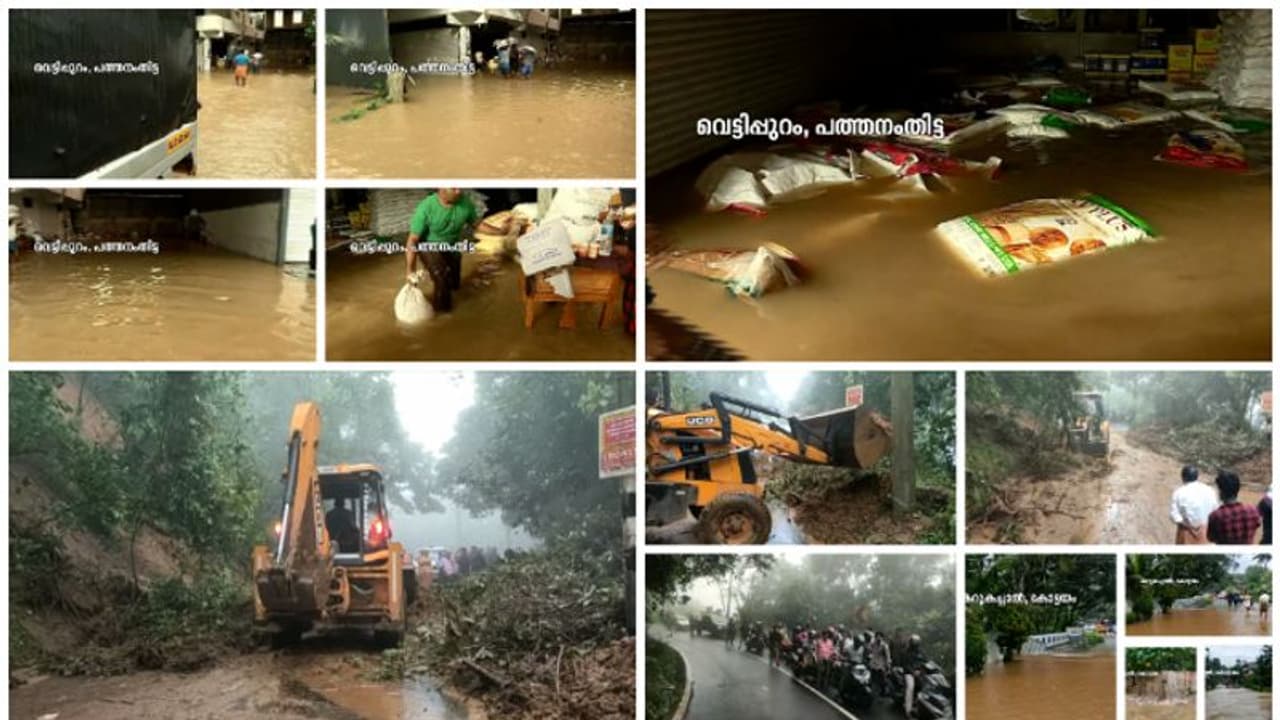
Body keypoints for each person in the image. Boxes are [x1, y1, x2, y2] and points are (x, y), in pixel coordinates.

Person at [405, 188, 478, 313]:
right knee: (442, 276)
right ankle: (442, 317)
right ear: (441, 188)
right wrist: (410, 270)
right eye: (454, 188)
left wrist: (501, 230)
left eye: (459, 187)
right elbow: (412, 240)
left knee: (454, 285)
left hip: (450, 246)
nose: (459, 191)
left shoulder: (465, 203)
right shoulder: (426, 207)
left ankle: (446, 296)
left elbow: (477, 224)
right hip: (428, 246)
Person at [1207, 471, 1262, 544]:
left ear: (1221, 491)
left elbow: (1211, 538)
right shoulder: (1253, 510)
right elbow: (1257, 524)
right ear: (1238, 489)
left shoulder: (1216, 516)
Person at [1170, 465, 1217, 544]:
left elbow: (1174, 515)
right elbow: (1215, 510)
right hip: (1206, 532)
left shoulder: (1179, 492)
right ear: (1197, 476)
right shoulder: (1209, 490)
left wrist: (1186, 524)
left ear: (1183, 477)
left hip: (1186, 531)